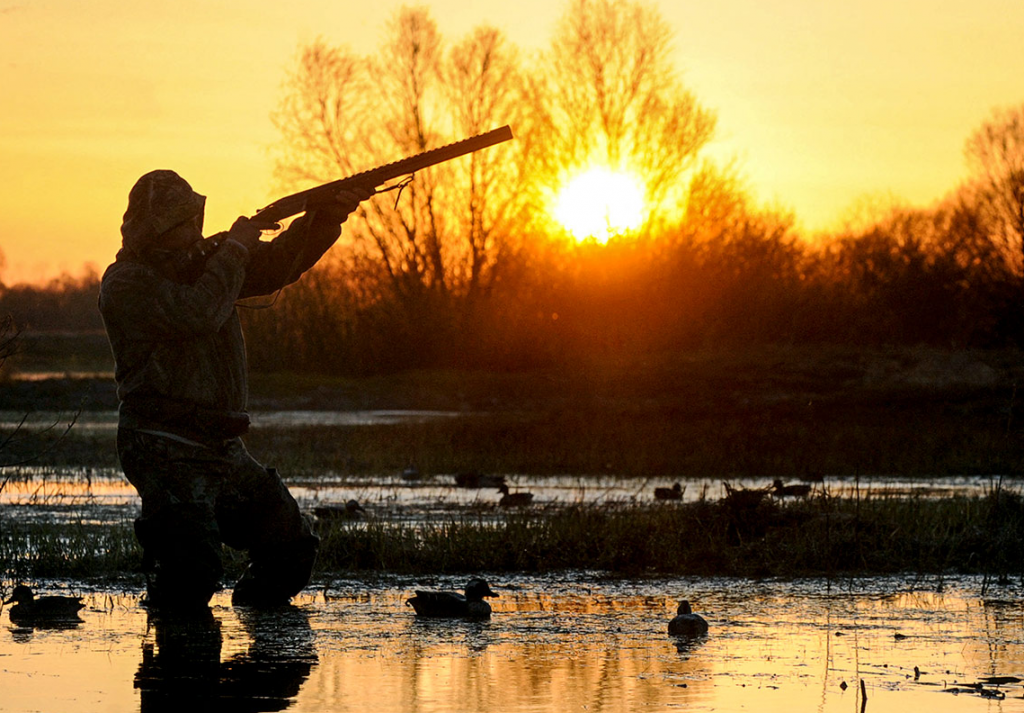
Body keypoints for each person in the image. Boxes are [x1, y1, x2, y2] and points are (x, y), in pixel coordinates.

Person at [99, 169, 370, 611]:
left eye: (190, 221)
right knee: (191, 576)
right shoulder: (127, 283)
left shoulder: (207, 263)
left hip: (222, 445)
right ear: (150, 229)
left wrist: (324, 218)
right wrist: (236, 249)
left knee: (291, 549)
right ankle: (176, 665)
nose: (189, 232)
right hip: (163, 446)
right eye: (176, 224)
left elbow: (279, 263)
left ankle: (254, 665)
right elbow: (197, 312)